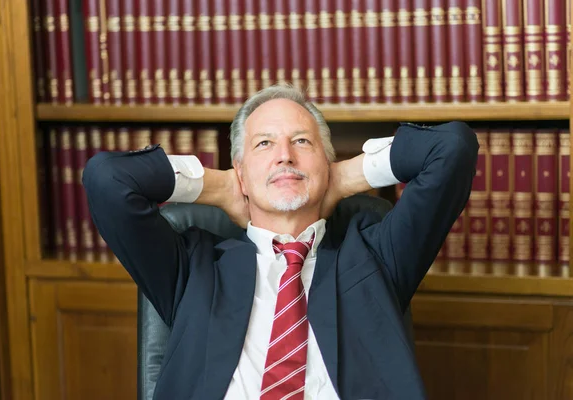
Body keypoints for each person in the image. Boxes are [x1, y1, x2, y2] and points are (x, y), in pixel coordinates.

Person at [83, 84, 478, 400]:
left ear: (327, 161)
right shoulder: (192, 267)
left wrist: (346, 176)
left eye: (302, 142)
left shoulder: (377, 257)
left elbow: (453, 149)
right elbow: (107, 180)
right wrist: (218, 186)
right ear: (240, 169)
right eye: (264, 144)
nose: (285, 156)